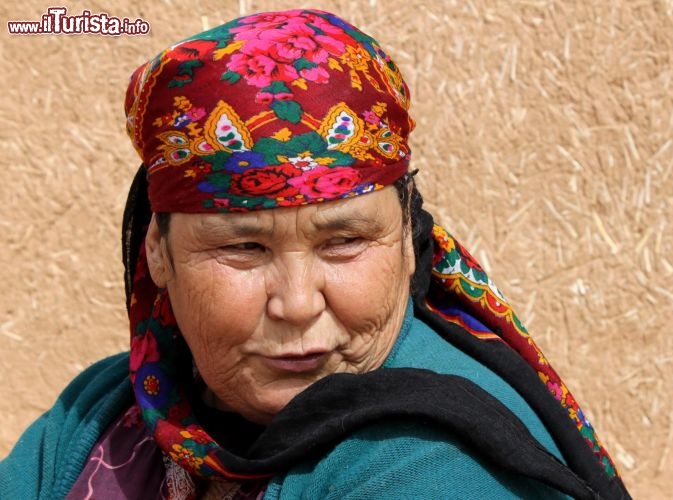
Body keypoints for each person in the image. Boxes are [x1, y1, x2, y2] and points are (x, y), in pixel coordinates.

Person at [0, 9, 630, 499]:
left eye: (345, 241)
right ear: (157, 254)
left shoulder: (432, 463)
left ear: (409, 243)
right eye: (244, 247)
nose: (299, 305)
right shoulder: (105, 409)